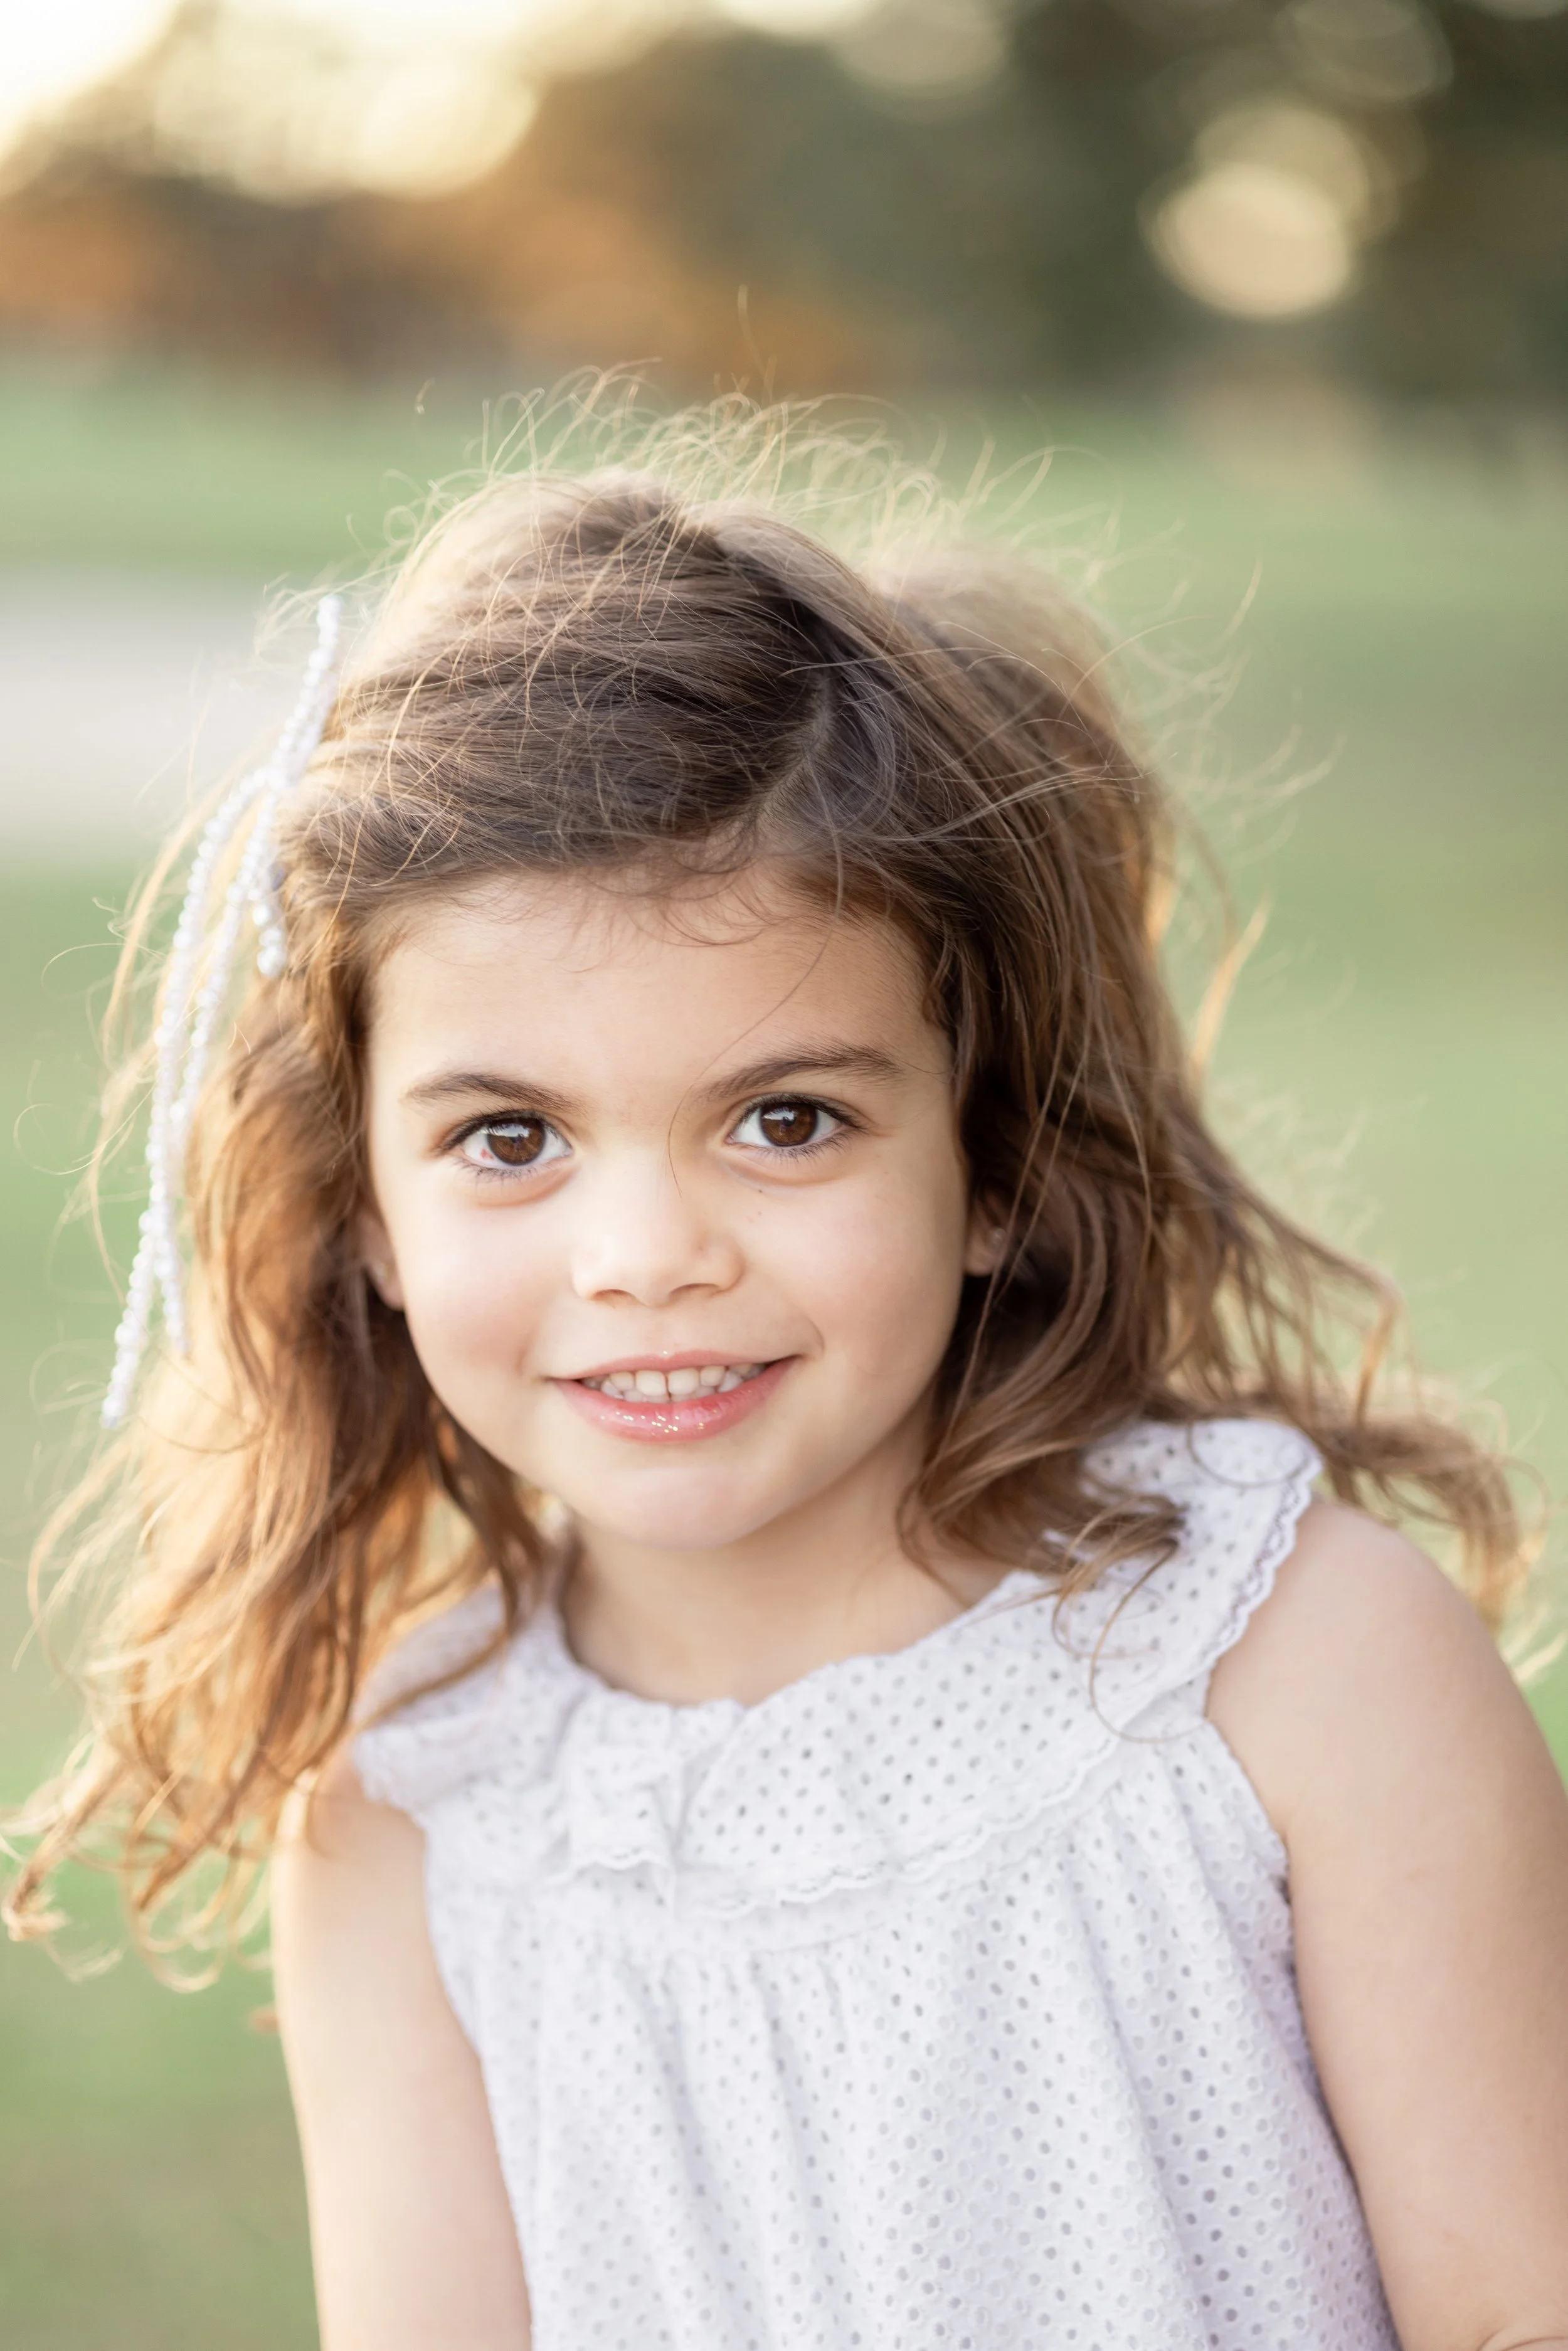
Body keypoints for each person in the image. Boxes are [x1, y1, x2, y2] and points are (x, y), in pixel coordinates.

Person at [8, 423, 1568, 2351]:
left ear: (991, 1158)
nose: (645, 1251)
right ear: (369, 1215)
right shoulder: (414, 1820)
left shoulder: (1289, 1659)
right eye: (510, 1137)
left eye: (783, 1116)